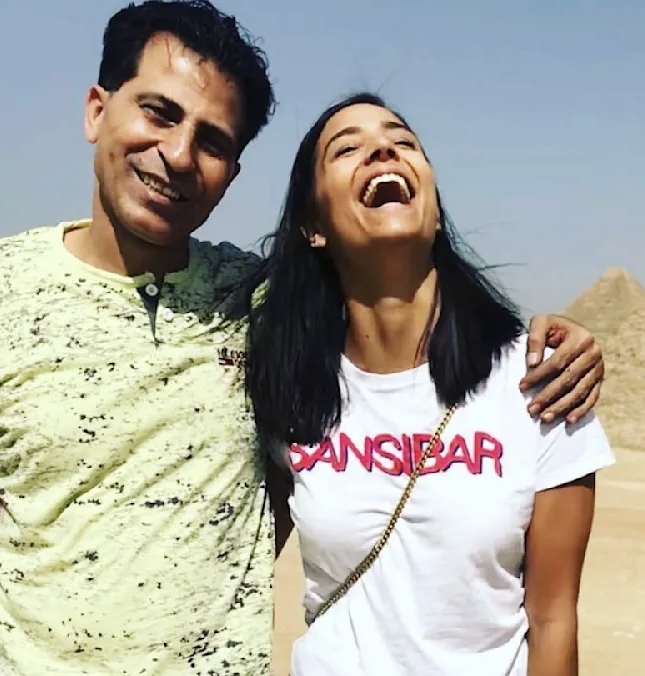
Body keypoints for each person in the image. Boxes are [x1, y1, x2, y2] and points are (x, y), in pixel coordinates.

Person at [0, 1, 606, 674]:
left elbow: (382, 289)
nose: (179, 155)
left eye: (213, 142)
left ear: (231, 173)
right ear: (97, 111)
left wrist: (566, 341)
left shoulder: (255, 307)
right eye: (158, 113)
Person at [246, 92, 616, 676]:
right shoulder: (287, 388)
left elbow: (553, 620)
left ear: (436, 211)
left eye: (403, 141)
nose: (382, 151)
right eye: (347, 149)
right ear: (313, 227)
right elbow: (232, 568)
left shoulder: (541, 382)